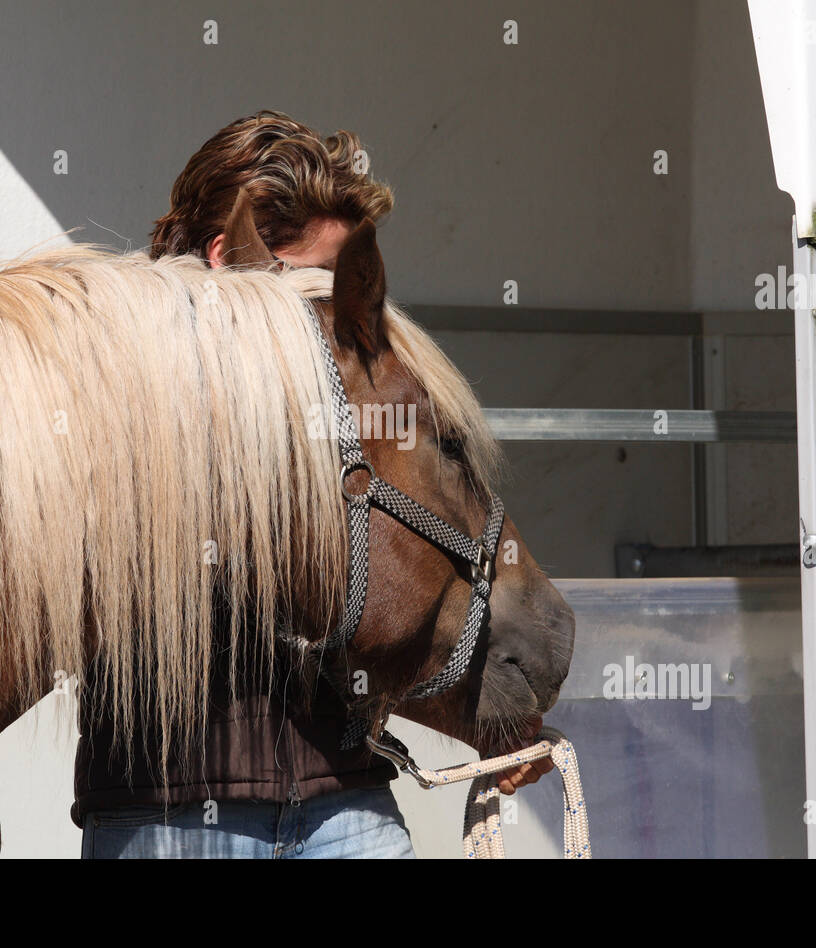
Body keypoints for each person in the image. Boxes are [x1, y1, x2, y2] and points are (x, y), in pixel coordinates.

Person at [73, 111, 546, 859]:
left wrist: (487, 717)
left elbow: (370, 613)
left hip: (347, 801)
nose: (341, 323)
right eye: (316, 292)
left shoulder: (347, 414)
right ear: (232, 259)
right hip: (172, 818)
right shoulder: (113, 389)